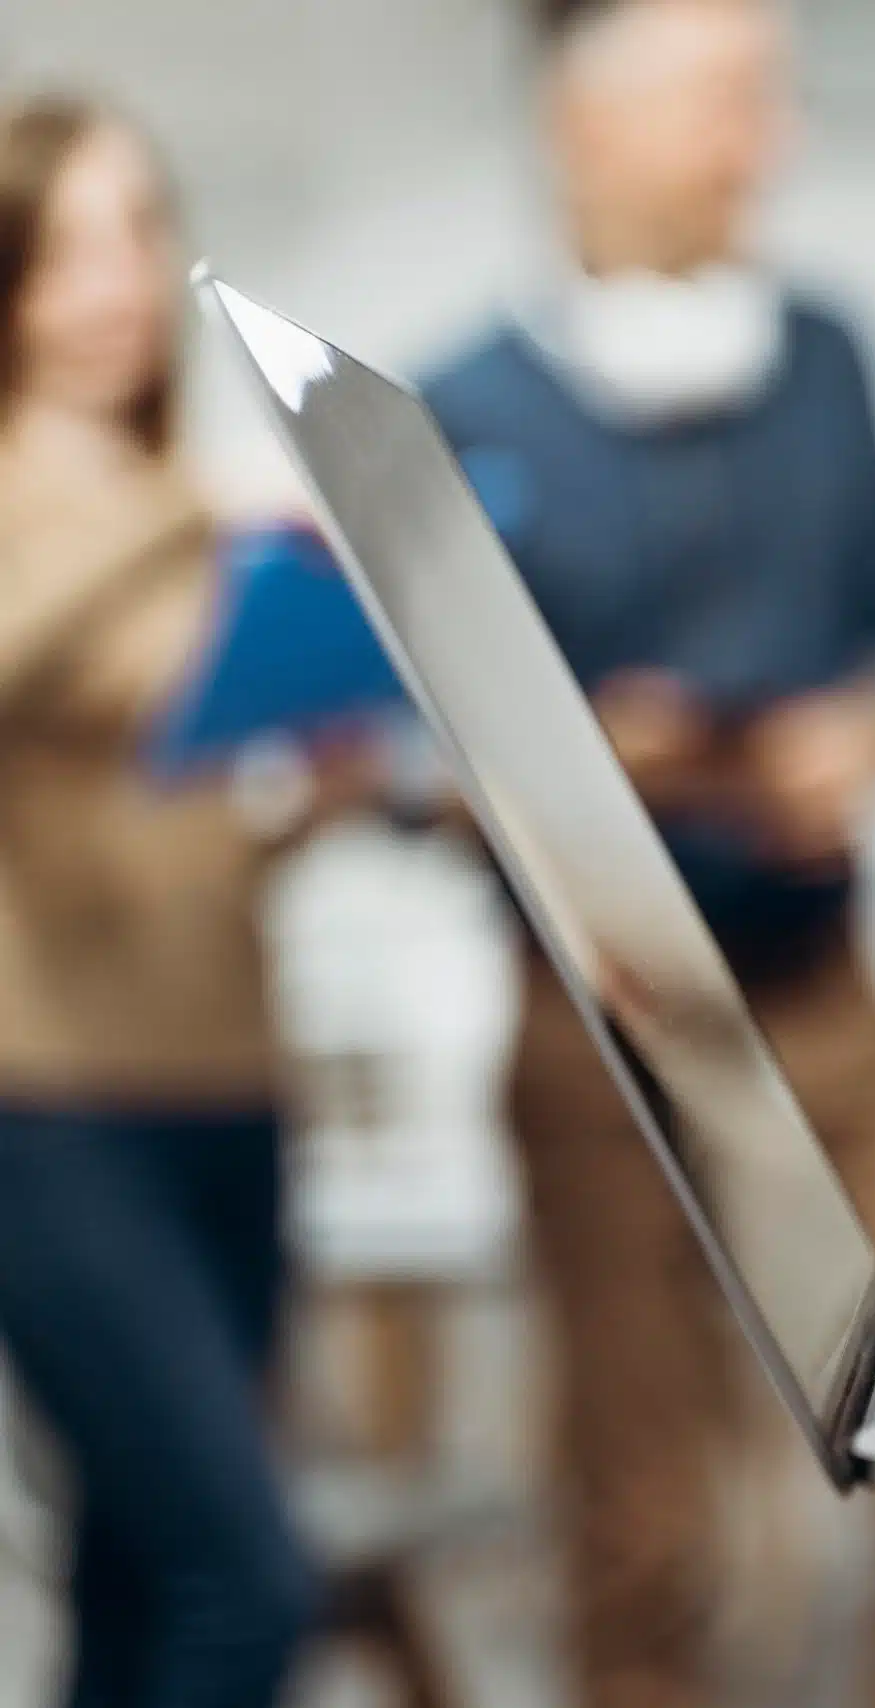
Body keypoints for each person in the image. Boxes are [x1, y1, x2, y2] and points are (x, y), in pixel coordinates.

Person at [420, 4, 875, 1706]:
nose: (767, 143)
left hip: (830, 1004)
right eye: (723, 101)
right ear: (582, 125)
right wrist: (589, 763)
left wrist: (865, 739)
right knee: (645, 1528)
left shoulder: (829, 359)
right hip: (596, 1026)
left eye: (771, 100)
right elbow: (413, 768)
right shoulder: (458, 409)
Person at [0, 98, 316, 1708]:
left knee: (132, 1579)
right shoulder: (126, 504)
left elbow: (187, 822)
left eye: (136, 233)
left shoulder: (183, 504)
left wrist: (324, 781)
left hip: (229, 1091)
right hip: (53, 1117)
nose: (115, 283)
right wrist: (194, 503)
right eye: (65, 249)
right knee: (243, 1584)